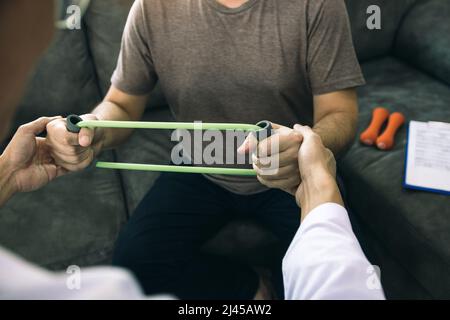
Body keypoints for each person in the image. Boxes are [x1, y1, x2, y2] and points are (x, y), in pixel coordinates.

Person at [0, 3, 383, 297]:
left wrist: (305, 147)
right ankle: (253, 287)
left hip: (293, 178)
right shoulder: (151, 7)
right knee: (134, 263)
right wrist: (91, 132)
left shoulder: (317, 4)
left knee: (357, 268)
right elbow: (119, 105)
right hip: (196, 166)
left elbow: (339, 113)